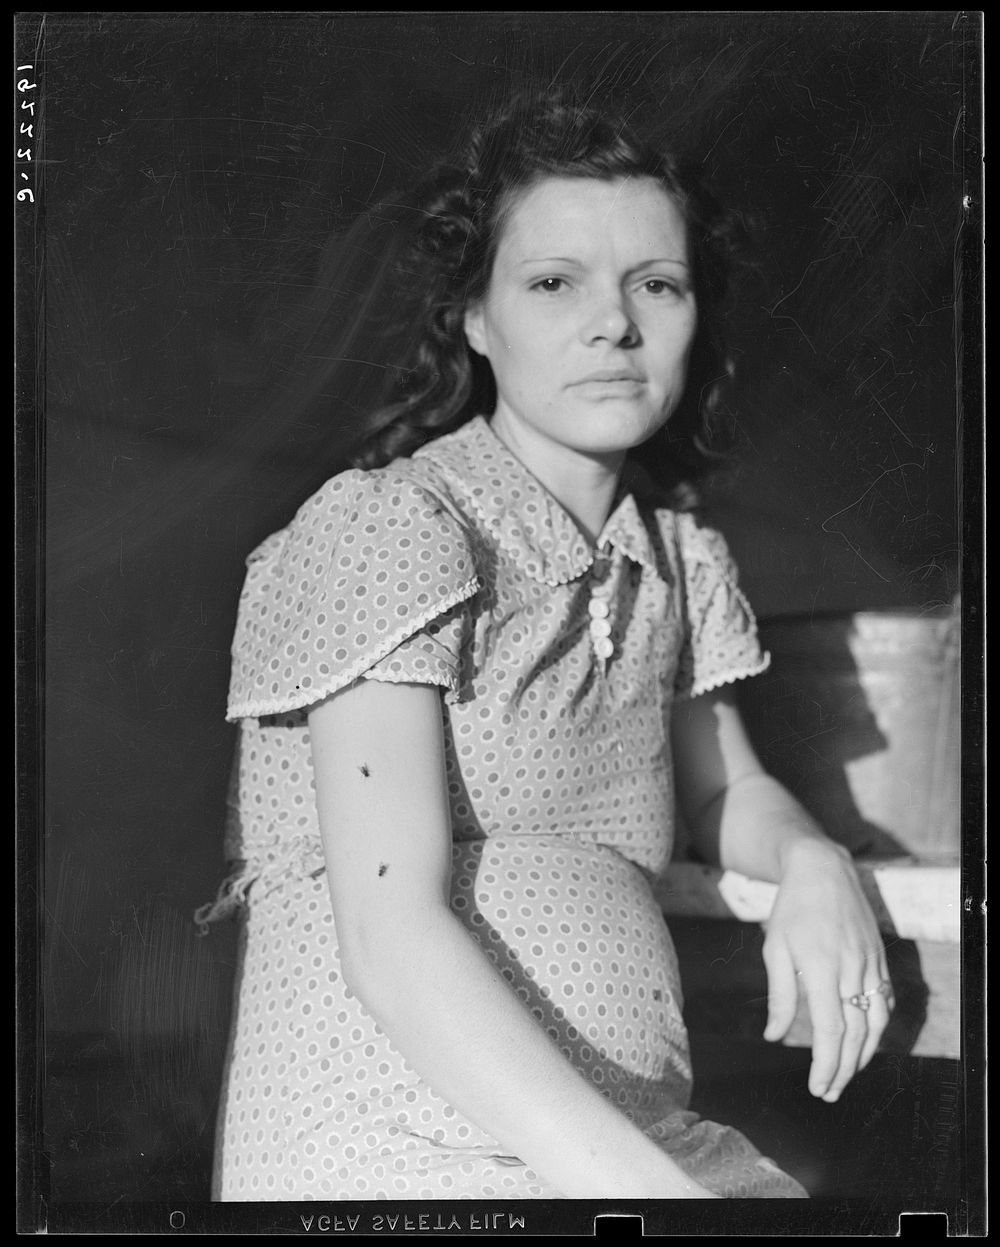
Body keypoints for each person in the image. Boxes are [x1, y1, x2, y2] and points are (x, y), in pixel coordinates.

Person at [197, 91, 892, 1201]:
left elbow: (727, 796)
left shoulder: (667, 562)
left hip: (630, 1138)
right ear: (475, 316)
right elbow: (389, 936)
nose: (613, 323)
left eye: (655, 284)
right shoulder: (396, 525)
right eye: (553, 281)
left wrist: (813, 862)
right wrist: (654, 1199)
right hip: (405, 1151)